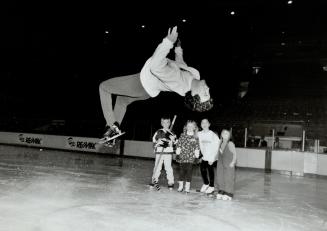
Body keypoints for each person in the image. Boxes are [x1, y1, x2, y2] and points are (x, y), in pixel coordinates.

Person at [99, 26, 213, 144]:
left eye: (205, 93)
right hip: (147, 91)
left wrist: (168, 42)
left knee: (104, 87)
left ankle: (111, 126)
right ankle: (112, 133)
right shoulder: (195, 76)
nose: (208, 88)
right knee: (122, 101)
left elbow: (155, 66)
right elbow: (180, 64)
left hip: (141, 83)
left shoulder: (177, 81)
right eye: (208, 92)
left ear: (194, 93)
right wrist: (178, 49)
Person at [150, 116, 176, 190]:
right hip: (159, 152)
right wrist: (159, 141)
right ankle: (154, 180)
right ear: (161, 123)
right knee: (157, 167)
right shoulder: (158, 131)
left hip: (168, 153)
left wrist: (173, 139)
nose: (165, 124)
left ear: (170, 123)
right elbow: (154, 140)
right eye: (164, 122)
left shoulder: (172, 132)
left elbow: (175, 142)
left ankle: (171, 182)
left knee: (168, 167)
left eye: (167, 122)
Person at [175, 120, 200, 193]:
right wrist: (177, 154)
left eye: (192, 126)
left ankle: (187, 187)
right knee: (182, 172)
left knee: (189, 172)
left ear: (194, 127)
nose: (190, 127)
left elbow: (197, 147)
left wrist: (196, 156)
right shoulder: (182, 135)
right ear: (186, 127)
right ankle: (180, 186)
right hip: (182, 157)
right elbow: (179, 145)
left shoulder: (195, 137)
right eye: (188, 126)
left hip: (191, 158)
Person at [197, 119, 220, 194]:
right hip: (204, 156)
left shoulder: (212, 134)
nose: (204, 124)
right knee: (202, 170)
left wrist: (213, 158)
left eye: (206, 123)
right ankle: (206, 183)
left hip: (211, 156)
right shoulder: (199, 133)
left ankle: (211, 186)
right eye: (202, 122)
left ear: (209, 124)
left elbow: (217, 145)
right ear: (200, 125)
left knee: (210, 171)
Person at [216, 129, 237, 200]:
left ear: (229, 136)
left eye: (227, 133)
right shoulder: (220, 142)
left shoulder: (230, 143)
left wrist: (233, 162)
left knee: (228, 178)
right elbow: (217, 152)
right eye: (223, 133)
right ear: (221, 134)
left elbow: (234, 154)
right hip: (220, 163)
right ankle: (221, 190)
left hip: (228, 163)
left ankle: (229, 193)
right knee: (220, 177)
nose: (225, 134)